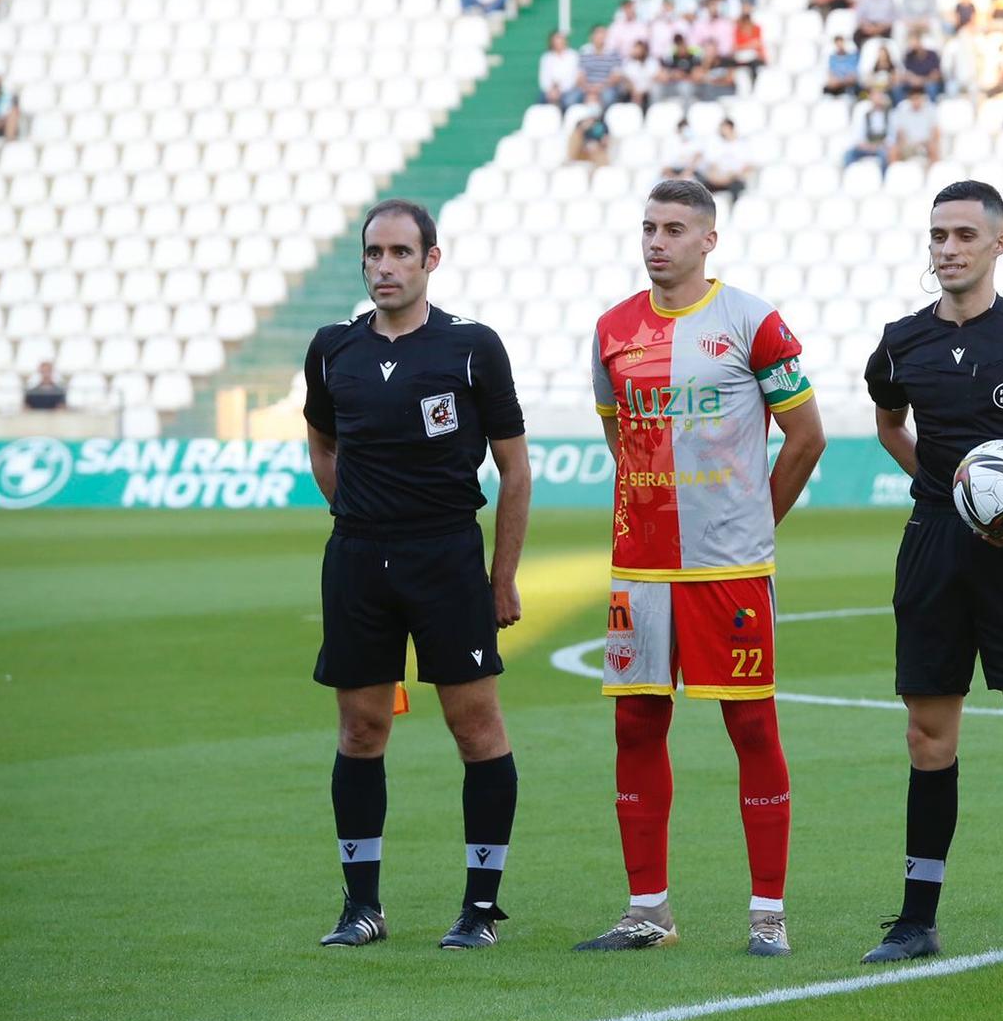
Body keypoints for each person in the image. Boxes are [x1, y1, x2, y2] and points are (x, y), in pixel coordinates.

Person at [572, 179, 825, 958]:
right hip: (640, 568)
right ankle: (648, 911)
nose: (656, 241)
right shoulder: (612, 329)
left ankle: (768, 915)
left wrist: (752, 521)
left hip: (728, 568)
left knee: (751, 724)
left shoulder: (753, 322)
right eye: (648, 227)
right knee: (635, 724)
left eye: (674, 228)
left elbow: (806, 437)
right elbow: (624, 443)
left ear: (708, 240)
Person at [859, 180, 1003, 969]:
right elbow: (890, 425)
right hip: (933, 548)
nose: (948, 248)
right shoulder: (899, 343)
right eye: (937, 236)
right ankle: (916, 921)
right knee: (928, 738)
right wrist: (943, 485)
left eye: (964, 234)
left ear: (999, 243)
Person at [303, 199, 531, 951]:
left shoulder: (471, 347)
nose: (384, 267)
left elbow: (515, 469)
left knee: (474, 726)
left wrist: (501, 578)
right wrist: (365, 519)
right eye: (373, 253)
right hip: (359, 560)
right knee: (362, 727)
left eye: (401, 253)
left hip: (447, 559)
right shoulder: (333, 348)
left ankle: (480, 909)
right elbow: (324, 447)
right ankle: (361, 908)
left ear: (431, 260)